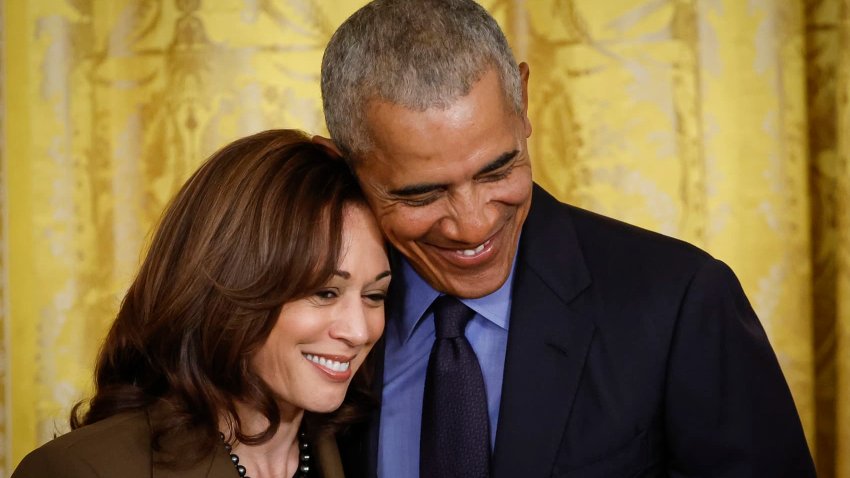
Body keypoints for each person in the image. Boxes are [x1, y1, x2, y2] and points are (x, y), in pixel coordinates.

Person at [317, 1, 817, 477]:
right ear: (342, 166)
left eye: (497, 171)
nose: (472, 225)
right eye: (422, 195)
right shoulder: (303, 318)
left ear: (524, 100)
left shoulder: (681, 302)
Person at [12, 129, 391, 478]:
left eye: (374, 296)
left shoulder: (370, 454)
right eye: (324, 293)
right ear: (230, 286)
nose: (359, 331)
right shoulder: (80, 469)